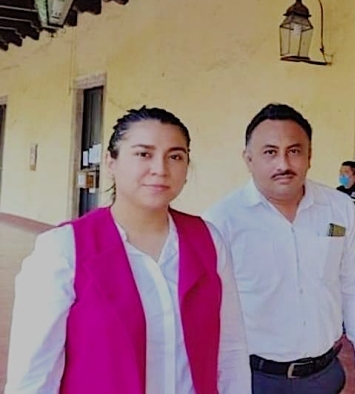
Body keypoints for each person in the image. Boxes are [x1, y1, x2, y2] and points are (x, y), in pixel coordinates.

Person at [4, 106, 250, 394]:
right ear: (111, 162)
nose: (160, 169)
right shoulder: (64, 248)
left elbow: (230, 349)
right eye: (143, 154)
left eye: (175, 156)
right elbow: (34, 376)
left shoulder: (207, 240)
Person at [203, 103, 355, 394]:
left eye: (294, 151)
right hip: (255, 380)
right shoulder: (221, 221)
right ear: (248, 159)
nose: (283, 164)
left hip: (325, 376)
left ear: (309, 157)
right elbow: (209, 313)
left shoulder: (339, 210)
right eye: (270, 152)